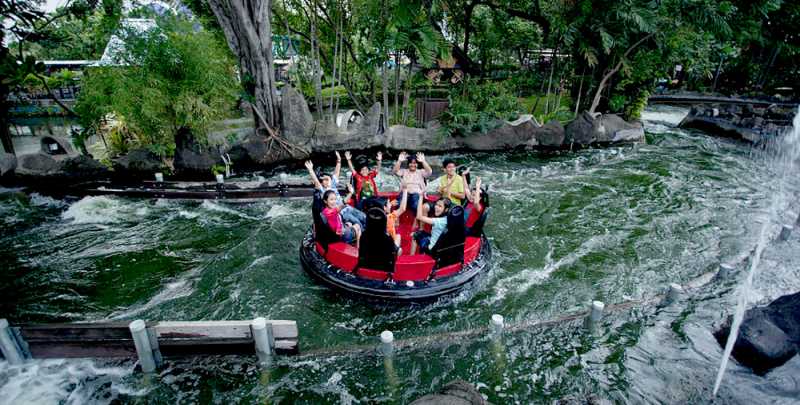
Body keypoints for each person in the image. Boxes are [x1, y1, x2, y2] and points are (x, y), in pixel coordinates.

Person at [305, 156, 365, 229]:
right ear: (322, 182)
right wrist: (311, 170)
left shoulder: (332, 185)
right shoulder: (322, 191)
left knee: (364, 217)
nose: (327, 181)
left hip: (346, 207)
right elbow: (317, 182)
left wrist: (339, 160)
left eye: (328, 179)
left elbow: (336, 173)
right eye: (325, 180)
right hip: (341, 212)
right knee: (358, 223)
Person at [393, 151, 432, 227]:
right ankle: (396, 220)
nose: (412, 165)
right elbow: (395, 171)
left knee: (416, 204)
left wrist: (423, 161)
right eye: (411, 163)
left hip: (416, 193)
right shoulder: (404, 171)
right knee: (399, 201)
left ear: (417, 164)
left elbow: (429, 171)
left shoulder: (421, 172)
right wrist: (399, 161)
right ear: (408, 164)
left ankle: (416, 221)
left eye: (415, 163)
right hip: (405, 193)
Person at [357, 208, 399, 272]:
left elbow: (360, 250)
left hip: (366, 265)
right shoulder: (388, 239)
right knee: (398, 238)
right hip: (385, 269)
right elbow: (398, 252)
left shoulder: (364, 235)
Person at [461, 170, 490, 236]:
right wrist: (463, 176)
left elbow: (476, 202)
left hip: (467, 229)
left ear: (480, 198)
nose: (471, 196)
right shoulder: (471, 200)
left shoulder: (479, 206)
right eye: (472, 194)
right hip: (461, 224)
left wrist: (478, 187)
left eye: (474, 195)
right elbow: (466, 189)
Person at [384, 182, 409, 251]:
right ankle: (396, 253)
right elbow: (403, 208)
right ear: (385, 208)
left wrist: (390, 205)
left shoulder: (377, 216)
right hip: (390, 248)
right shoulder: (390, 217)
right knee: (398, 238)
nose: (390, 204)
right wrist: (405, 190)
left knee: (398, 236)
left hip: (381, 244)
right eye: (389, 203)